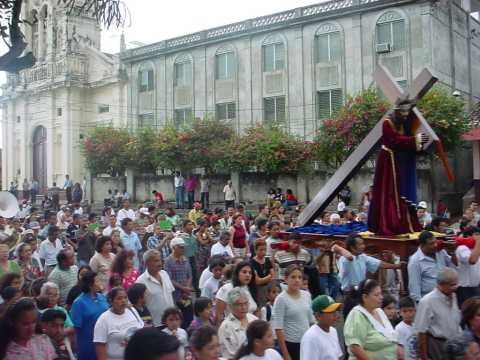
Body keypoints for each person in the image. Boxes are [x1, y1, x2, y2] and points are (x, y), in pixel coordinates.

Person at [368, 100, 428, 236]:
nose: (405, 115)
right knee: (387, 191)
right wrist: (415, 140)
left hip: (395, 159)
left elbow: (403, 139)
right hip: (387, 159)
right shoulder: (387, 123)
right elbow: (393, 140)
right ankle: (389, 223)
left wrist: (417, 141)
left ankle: (402, 221)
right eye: (403, 113)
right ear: (397, 112)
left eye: (407, 113)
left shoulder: (400, 124)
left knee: (397, 191)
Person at [415, 268, 462, 360]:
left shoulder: (454, 296)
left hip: (454, 345)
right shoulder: (427, 301)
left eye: (456, 283)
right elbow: (421, 331)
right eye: (452, 285)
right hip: (438, 346)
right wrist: (424, 356)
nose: (456, 287)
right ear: (441, 285)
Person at [344, 279, 397, 359]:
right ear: (365, 297)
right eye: (376, 295)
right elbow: (355, 347)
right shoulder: (357, 315)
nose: (381, 297)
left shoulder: (379, 311)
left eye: (381, 294)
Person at [272, 264, 315, 360]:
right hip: (291, 344)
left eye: (300, 277)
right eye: (293, 277)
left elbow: (311, 320)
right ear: (286, 279)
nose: (297, 280)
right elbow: (278, 328)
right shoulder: (281, 299)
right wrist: (286, 354)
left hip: (306, 342)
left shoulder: (307, 295)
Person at [93, 287, 144, 360]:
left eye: (125, 298)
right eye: (119, 298)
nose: (123, 301)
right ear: (111, 301)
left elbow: (141, 328)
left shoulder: (132, 310)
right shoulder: (103, 319)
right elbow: (100, 345)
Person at [71, 271, 109, 360]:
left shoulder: (102, 297)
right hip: (88, 343)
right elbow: (76, 327)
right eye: (97, 281)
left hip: (104, 340)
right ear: (90, 285)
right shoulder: (79, 303)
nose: (100, 282)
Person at [408, 230, 455, 302]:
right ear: (422, 245)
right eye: (431, 244)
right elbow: (414, 287)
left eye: (435, 242)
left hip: (446, 297)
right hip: (429, 301)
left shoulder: (441, 252)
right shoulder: (415, 261)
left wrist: (453, 251)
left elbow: (453, 265)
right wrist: (421, 305)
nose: (435, 245)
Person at [135, 249, 175, 327]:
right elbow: (139, 305)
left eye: (160, 260)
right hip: (156, 324)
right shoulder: (141, 281)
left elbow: (171, 296)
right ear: (147, 263)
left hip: (171, 322)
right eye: (156, 261)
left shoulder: (164, 274)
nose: (160, 263)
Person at [219, 287, 258, 359]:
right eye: (239, 304)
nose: (243, 307)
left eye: (246, 303)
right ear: (230, 306)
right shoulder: (225, 327)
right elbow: (229, 355)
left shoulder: (254, 319)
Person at [300, 295, 343, 360]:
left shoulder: (333, 330)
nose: (337, 316)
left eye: (336, 311)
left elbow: (338, 356)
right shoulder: (311, 338)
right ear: (318, 316)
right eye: (332, 312)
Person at [216, 261, 259, 325]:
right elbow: (219, 315)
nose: (248, 275)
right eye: (244, 272)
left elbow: (257, 310)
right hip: (232, 329)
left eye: (250, 273)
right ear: (237, 273)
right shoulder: (226, 289)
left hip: (251, 329)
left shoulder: (251, 289)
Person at [455, 226, 480, 306]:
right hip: (465, 288)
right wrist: (478, 242)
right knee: (469, 314)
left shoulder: (476, 247)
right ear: (468, 236)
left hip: (476, 287)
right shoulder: (462, 248)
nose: (478, 237)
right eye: (476, 235)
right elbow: (472, 260)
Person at [164, 237, 194, 302]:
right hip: (175, 295)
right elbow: (169, 279)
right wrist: (183, 288)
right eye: (181, 247)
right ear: (174, 247)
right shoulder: (168, 261)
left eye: (184, 247)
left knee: (188, 309)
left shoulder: (185, 259)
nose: (183, 249)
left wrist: (187, 288)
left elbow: (190, 276)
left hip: (186, 294)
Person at [250, 239, 274, 306]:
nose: (263, 252)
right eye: (261, 250)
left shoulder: (267, 260)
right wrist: (269, 276)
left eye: (265, 249)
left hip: (269, 290)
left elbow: (273, 275)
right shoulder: (252, 263)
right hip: (258, 291)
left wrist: (265, 279)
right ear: (255, 250)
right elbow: (257, 281)